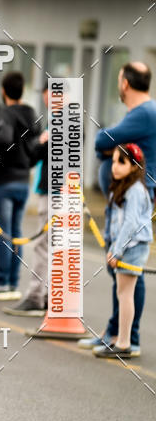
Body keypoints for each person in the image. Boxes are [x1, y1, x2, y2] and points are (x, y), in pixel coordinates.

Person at [84, 62, 156, 354]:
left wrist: (110, 148)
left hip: (129, 206)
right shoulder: (140, 115)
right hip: (121, 201)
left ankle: (127, 338)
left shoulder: (145, 114)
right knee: (120, 279)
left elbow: (102, 140)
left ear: (125, 83)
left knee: (127, 275)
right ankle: (115, 333)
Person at [0, 71, 42, 300]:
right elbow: (36, 143)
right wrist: (27, 160)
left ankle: (1, 283)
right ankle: (13, 282)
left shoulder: (5, 114)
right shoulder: (31, 114)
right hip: (22, 179)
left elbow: (3, 138)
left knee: (2, 233)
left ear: (4, 91)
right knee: (16, 232)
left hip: (2, 180)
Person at [92, 144, 153, 358]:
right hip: (127, 246)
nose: (115, 167)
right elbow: (117, 221)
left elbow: (130, 224)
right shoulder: (123, 187)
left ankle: (125, 342)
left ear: (135, 166)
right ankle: (120, 337)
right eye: (114, 161)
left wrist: (117, 251)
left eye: (122, 162)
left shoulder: (135, 190)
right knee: (122, 294)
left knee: (125, 295)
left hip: (133, 248)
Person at [5, 82, 50, 316]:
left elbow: (35, 151)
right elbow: (34, 151)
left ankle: (36, 296)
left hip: (52, 191)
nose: (46, 102)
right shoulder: (68, 121)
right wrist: (39, 143)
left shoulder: (61, 123)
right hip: (58, 190)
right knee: (51, 245)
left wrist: (41, 143)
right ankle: (48, 295)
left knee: (43, 245)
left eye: (48, 96)